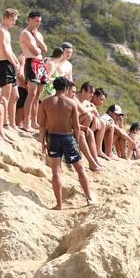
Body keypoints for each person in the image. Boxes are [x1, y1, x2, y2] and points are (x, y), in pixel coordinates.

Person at [39, 77, 94, 210]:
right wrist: (76, 141)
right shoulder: (71, 103)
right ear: (66, 88)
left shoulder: (45, 102)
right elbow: (76, 126)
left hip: (53, 138)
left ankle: (59, 204)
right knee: (80, 169)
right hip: (67, 138)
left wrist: (43, 142)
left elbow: (41, 125)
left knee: (56, 172)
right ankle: (89, 198)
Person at [19, 11, 47, 132]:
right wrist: (38, 46)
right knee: (31, 93)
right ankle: (26, 123)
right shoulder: (25, 33)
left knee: (37, 95)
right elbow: (36, 52)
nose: (38, 23)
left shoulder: (38, 34)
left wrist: (36, 38)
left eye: (40, 21)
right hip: (31, 62)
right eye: (36, 21)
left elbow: (44, 49)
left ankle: (34, 122)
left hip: (41, 63)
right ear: (29, 19)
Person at [0, 8, 22, 129]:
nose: (13, 22)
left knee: (15, 96)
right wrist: (14, 64)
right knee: (6, 96)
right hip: (4, 64)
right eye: (12, 19)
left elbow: (10, 50)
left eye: (15, 20)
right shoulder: (0, 31)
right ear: (5, 18)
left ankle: (12, 123)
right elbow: (4, 51)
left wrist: (17, 62)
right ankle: (4, 123)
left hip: (9, 63)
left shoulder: (7, 31)